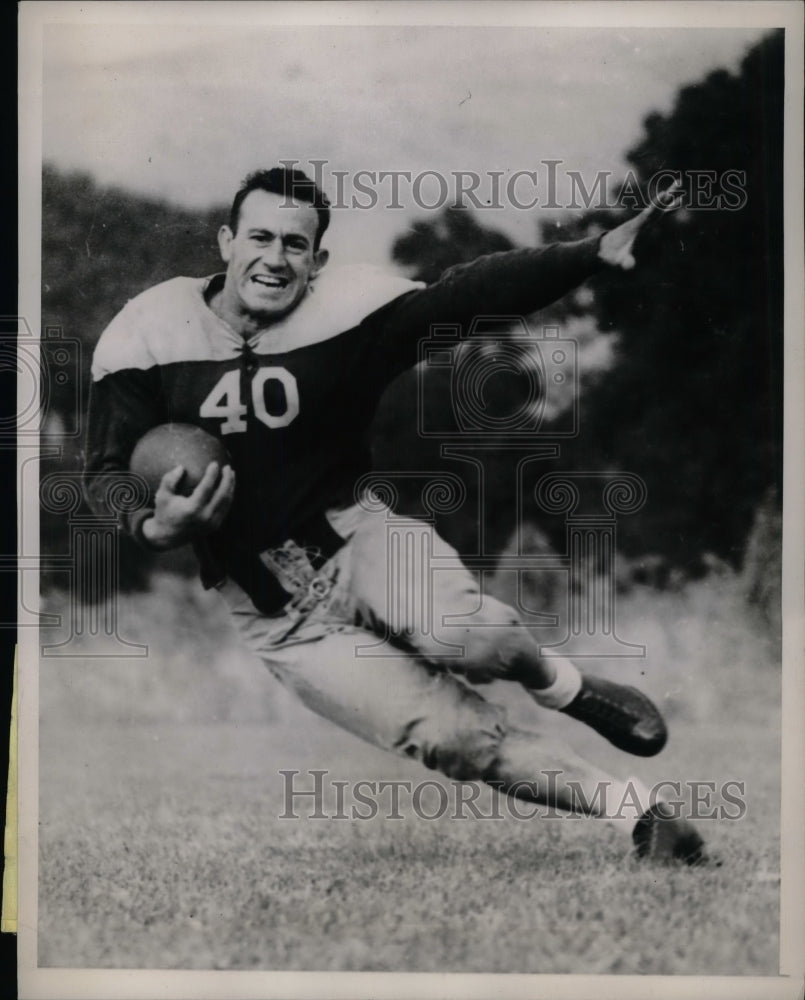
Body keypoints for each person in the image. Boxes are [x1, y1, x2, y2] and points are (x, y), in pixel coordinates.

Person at [85, 166, 710, 864]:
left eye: (296, 244)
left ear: (317, 262)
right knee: (452, 739)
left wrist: (586, 253)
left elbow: (467, 294)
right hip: (276, 614)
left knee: (471, 637)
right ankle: (639, 818)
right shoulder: (150, 332)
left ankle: (565, 687)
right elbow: (105, 475)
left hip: (360, 539)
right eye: (259, 236)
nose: (274, 257)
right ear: (226, 240)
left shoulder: (344, 319)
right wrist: (154, 526)